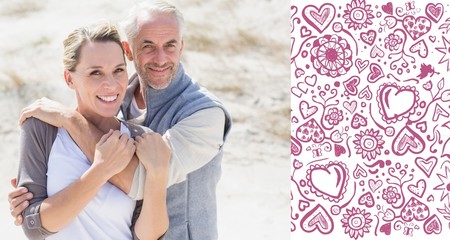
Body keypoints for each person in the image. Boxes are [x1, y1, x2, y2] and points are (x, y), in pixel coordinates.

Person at [9, 0, 232, 239]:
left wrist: (70, 119)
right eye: (147, 46)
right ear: (129, 50)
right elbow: (32, 222)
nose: (160, 58)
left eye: (170, 45)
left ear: (181, 47)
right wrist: (32, 210)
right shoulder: (115, 102)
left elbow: (137, 183)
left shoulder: (204, 114)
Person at [14, 20, 171, 239]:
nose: (111, 83)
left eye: (118, 70)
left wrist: (158, 175)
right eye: (96, 73)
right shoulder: (42, 129)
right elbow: (33, 228)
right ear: (69, 79)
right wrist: (102, 170)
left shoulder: (140, 140)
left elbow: (147, 236)